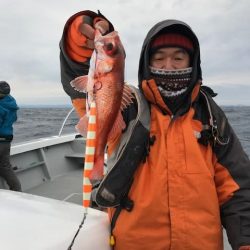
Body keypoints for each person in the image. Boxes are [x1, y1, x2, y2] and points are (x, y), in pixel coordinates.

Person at [60, 11, 250, 250]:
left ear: (193, 62)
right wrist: (82, 38)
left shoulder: (209, 114)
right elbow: (78, 80)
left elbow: (238, 187)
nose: (168, 66)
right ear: (146, 63)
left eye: (179, 58)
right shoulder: (127, 106)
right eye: (159, 58)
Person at [0, 81, 21, 191]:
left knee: (5, 167)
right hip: (6, 141)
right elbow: (14, 119)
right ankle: (17, 191)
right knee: (5, 167)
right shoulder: (11, 103)